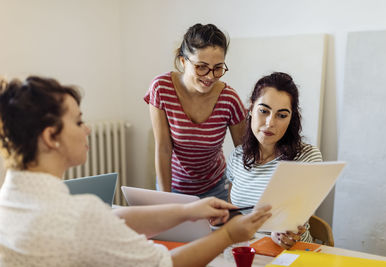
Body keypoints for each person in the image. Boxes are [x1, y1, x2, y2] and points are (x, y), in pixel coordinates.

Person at [0, 76, 271, 267]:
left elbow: (114, 218)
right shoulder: (79, 215)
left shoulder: (10, 200)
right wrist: (229, 235)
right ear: (51, 137)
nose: (88, 129)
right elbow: (165, 263)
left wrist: (188, 211)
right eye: (79, 121)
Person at [144, 23, 246, 201]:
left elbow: (244, 154)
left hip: (215, 188)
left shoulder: (229, 99)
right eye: (201, 67)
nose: (210, 76)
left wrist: (234, 198)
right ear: (183, 61)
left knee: (217, 230)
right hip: (171, 186)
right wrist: (166, 199)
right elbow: (163, 149)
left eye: (218, 68)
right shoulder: (161, 88)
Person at [226, 72, 323, 249]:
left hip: (294, 253)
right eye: (264, 111)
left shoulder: (308, 157)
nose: (270, 123)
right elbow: (234, 215)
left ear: (291, 118)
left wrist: (287, 231)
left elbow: (299, 217)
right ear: (251, 109)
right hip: (248, 252)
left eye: (282, 115)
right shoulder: (237, 156)